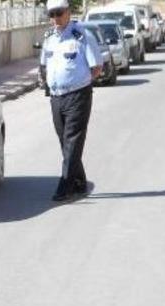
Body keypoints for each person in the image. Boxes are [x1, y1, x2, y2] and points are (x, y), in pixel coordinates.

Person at [40, 0, 102, 201]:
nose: (55, 19)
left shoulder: (82, 36)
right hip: (56, 97)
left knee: (73, 140)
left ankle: (65, 186)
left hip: (78, 95)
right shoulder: (49, 38)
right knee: (64, 141)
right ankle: (79, 182)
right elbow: (44, 64)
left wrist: (81, 84)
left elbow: (97, 67)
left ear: (68, 12)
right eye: (52, 14)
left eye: (59, 13)